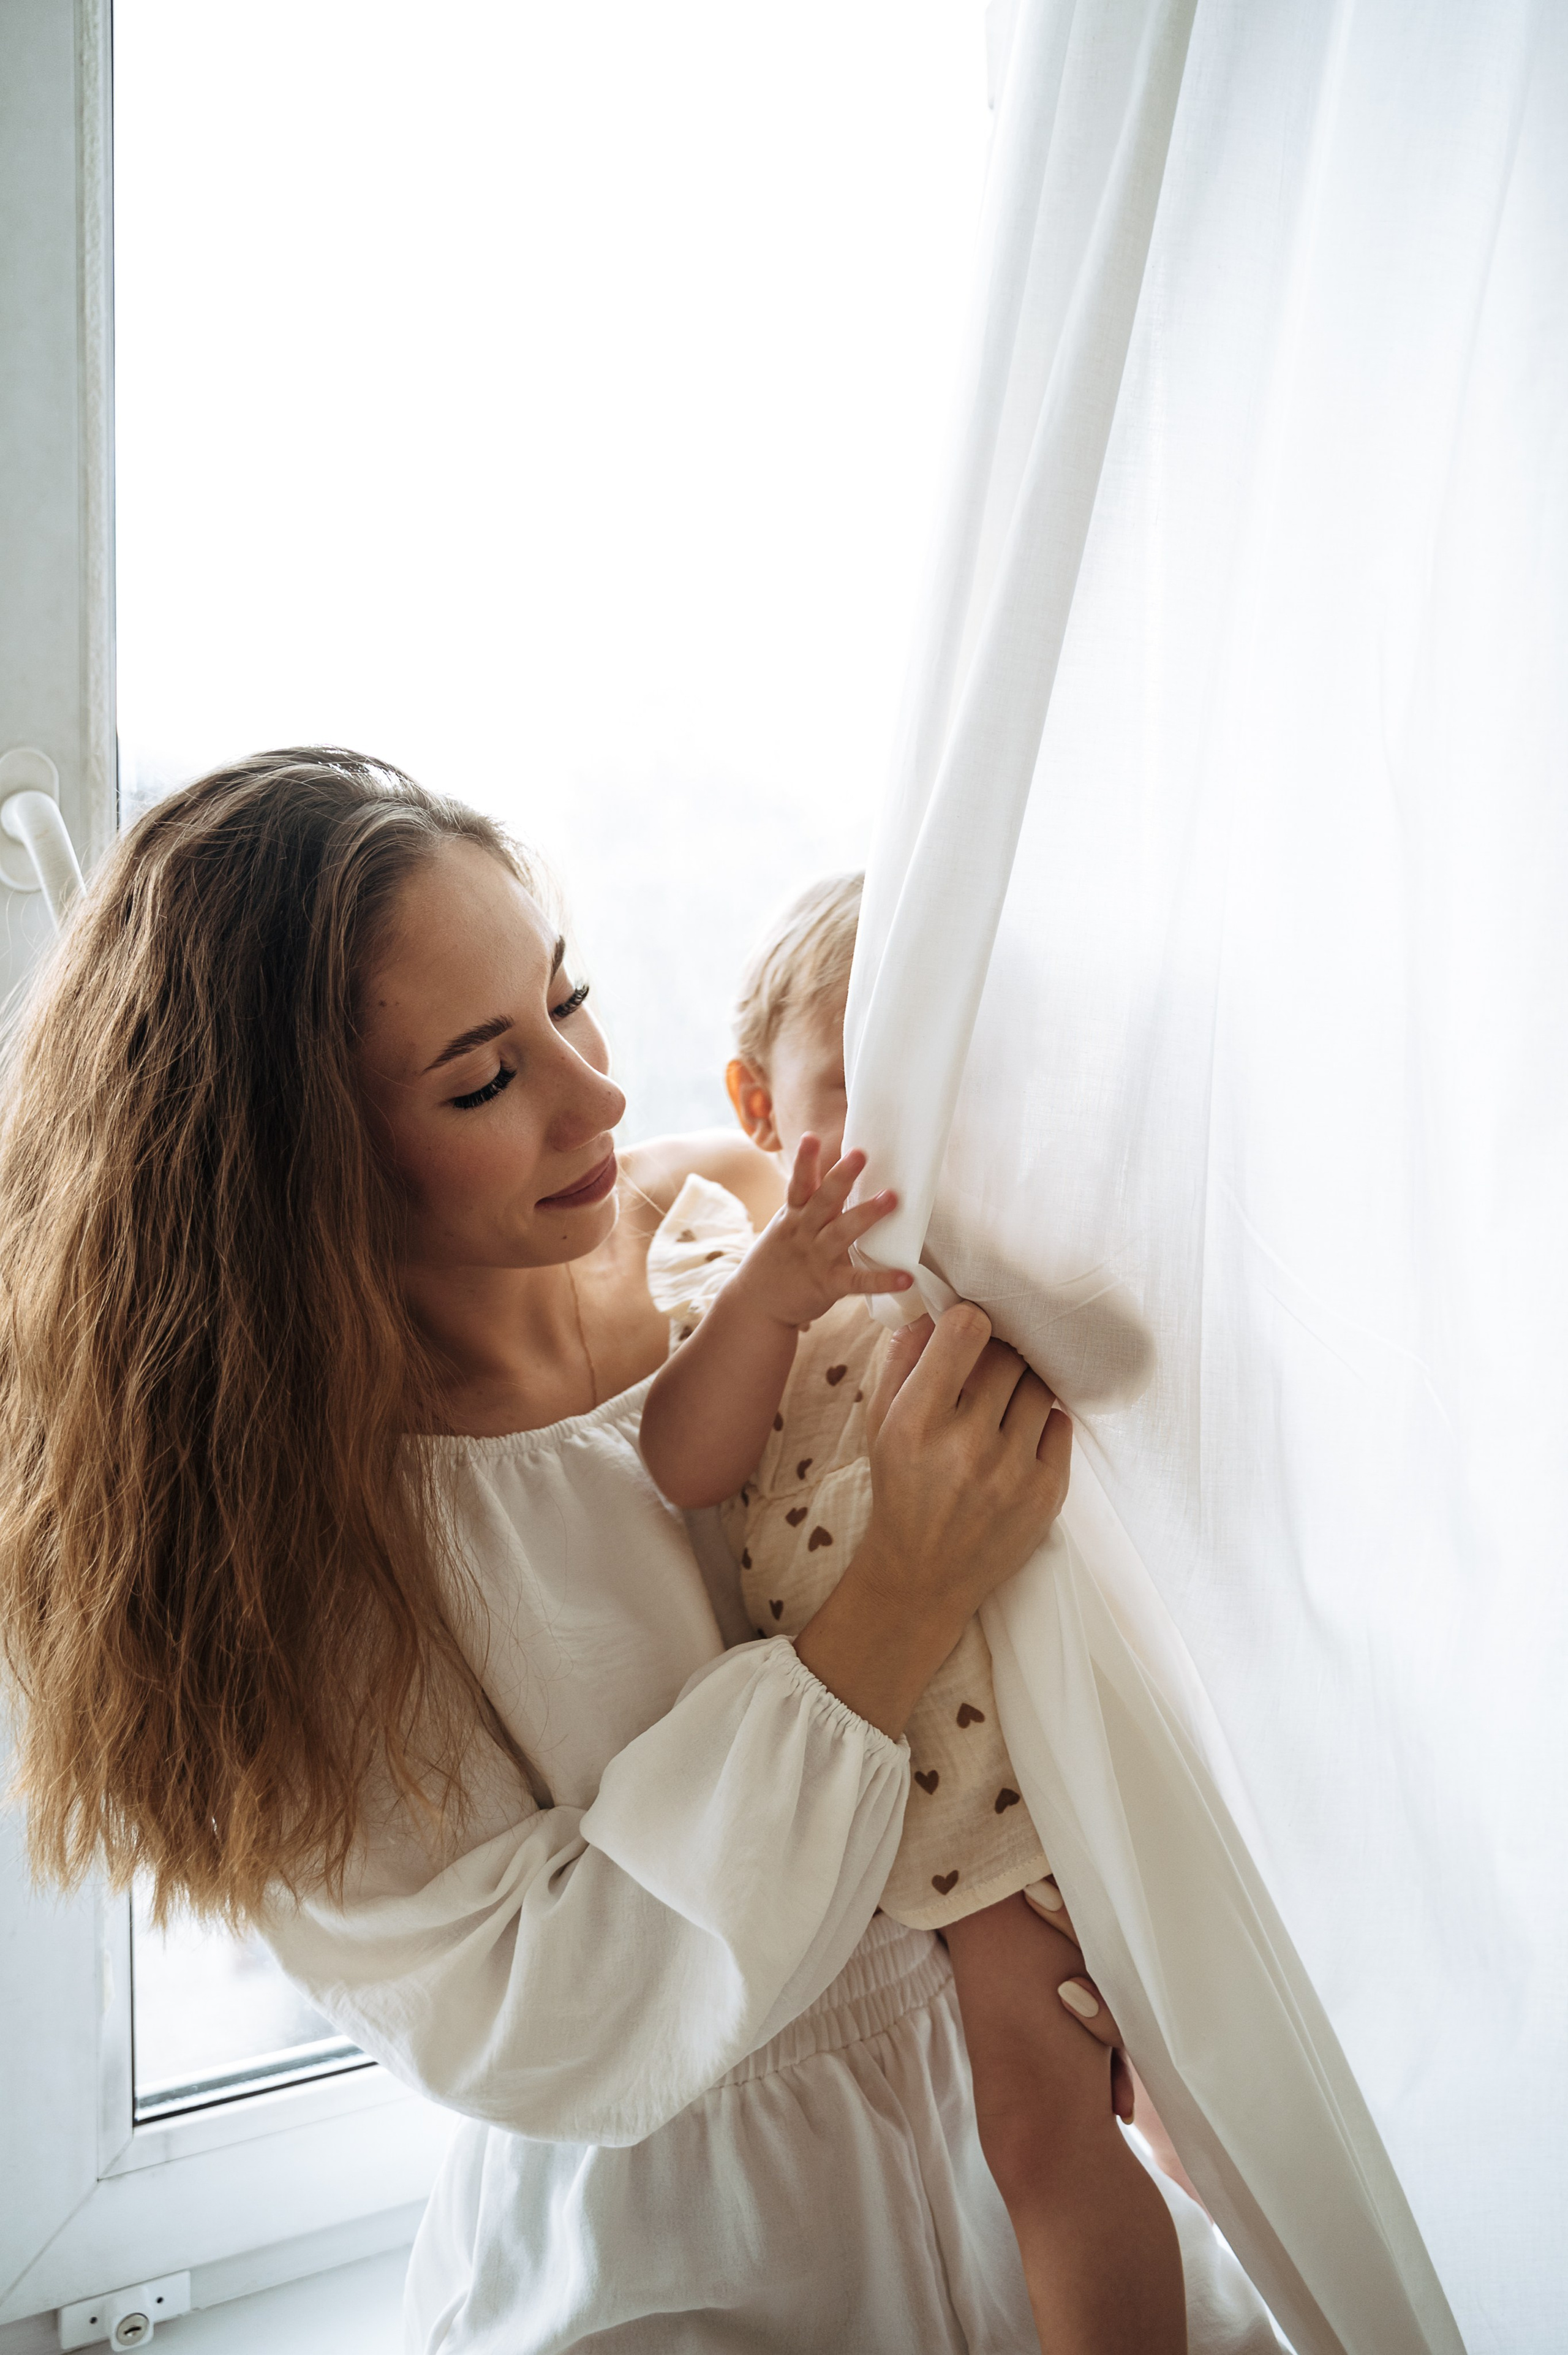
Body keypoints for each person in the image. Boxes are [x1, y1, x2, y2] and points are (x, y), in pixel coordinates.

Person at [0, 750, 1273, 2354]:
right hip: (696, 2253)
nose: (599, 1095)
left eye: (569, 991)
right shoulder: (301, 1555)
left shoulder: (720, 1223)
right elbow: (550, 2006)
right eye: (484, 1078)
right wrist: (896, 1600)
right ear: (302, 1169)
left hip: (1020, 2114)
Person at [638, 874, 1246, 2354]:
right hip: (955, 1818)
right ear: (761, 1108)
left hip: (1102, 1767)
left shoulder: (1017, 1257)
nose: (916, 1136)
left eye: (966, 1081)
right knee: (1040, 2139)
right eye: (857, 1090)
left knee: (1212, 2115)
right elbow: (682, 1460)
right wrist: (774, 1300)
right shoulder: (738, 1271)